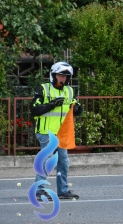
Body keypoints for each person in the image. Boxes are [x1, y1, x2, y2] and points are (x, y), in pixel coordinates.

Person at [30, 62, 83, 200]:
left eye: (65, 76)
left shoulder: (69, 91)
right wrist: (51, 105)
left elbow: (74, 109)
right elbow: (34, 110)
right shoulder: (43, 89)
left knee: (64, 162)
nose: (63, 79)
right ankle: (39, 190)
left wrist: (78, 110)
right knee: (47, 161)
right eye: (60, 75)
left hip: (62, 134)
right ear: (53, 75)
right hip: (46, 133)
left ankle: (63, 191)